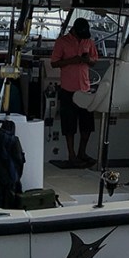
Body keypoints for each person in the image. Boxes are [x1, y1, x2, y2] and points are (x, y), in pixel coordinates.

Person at [50, 16, 99, 167]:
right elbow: (54, 63)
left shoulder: (88, 42)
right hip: (68, 89)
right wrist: (73, 60)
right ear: (74, 30)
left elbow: (94, 60)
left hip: (85, 88)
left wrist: (87, 60)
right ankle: (71, 155)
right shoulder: (62, 42)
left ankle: (82, 152)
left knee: (87, 125)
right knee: (69, 125)